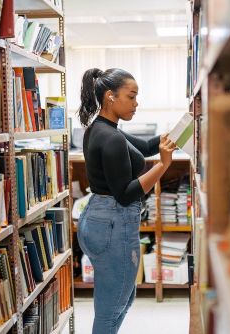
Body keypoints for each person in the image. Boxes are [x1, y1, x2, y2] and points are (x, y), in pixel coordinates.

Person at [76, 68, 177, 334]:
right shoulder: (110, 138)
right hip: (112, 222)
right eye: (131, 97)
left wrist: (179, 131)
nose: (136, 103)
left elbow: (144, 147)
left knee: (121, 298)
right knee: (112, 307)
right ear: (110, 96)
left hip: (98, 217)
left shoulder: (102, 128)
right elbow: (126, 193)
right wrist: (163, 166)